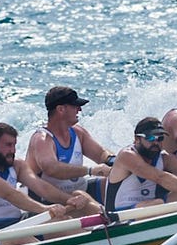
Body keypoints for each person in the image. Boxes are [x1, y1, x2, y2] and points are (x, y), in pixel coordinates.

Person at [0, 123, 92, 245]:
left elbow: (42, 187)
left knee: (61, 221)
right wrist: (44, 209)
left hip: (17, 225)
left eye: (14, 145)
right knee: (18, 237)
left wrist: (68, 199)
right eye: (8, 145)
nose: (13, 150)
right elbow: (10, 194)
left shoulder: (17, 165)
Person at [24, 86, 113, 217]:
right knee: (80, 196)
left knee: (113, 181)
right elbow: (52, 168)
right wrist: (90, 171)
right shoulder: (42, 139)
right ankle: (110, 221)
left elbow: (101, 154)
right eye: (75, 106)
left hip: (79, 192)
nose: (80, 109)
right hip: (52, 201)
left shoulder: (78, 132)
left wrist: (113, 160)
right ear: (61, 109)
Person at [106, 117, 177, 211]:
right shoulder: (127, 156)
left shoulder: (164, 157)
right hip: (120, 214)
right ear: (137, 139)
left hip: (149, 206)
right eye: (151, 138)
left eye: (160, 138)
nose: (156, 143)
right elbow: (160, 177)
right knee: (163, 201)